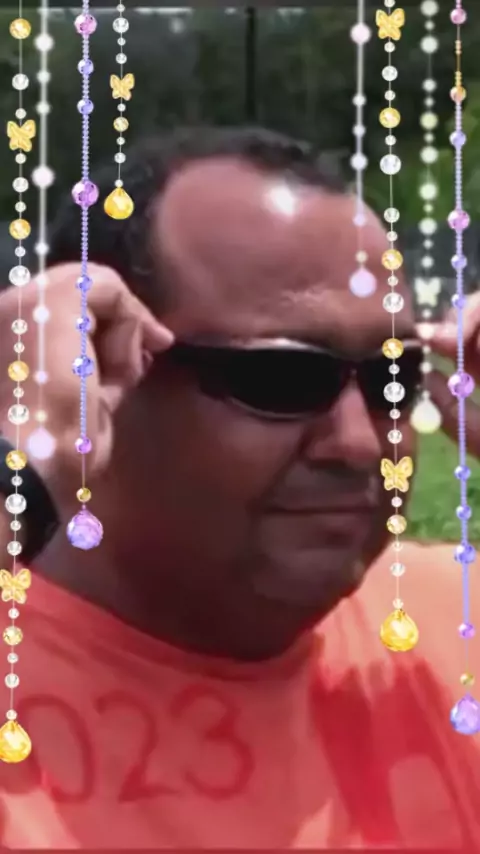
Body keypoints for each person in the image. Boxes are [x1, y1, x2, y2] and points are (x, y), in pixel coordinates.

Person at [0, 127, 478, 849]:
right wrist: (23, 465)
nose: (358, 443)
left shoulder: (451, 621)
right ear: (96, 370)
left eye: (393, 378)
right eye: (280, 378)